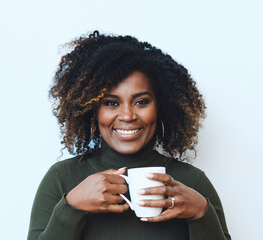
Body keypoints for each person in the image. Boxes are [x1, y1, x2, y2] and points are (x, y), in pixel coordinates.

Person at [27, 31, 231, 240]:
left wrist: (201, 214)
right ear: (92, 109)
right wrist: (72, 207)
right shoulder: (61, 179)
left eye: (141, 102)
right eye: (111, 103)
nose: (127, 115)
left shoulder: (192, 182)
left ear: (162, 106)